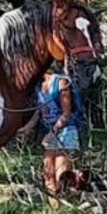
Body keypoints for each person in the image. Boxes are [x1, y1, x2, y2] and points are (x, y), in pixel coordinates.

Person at [36, 57, 80, 203]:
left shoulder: (61, 82)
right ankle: (54, 208)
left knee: (61, 173)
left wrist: (52, 133)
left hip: (66, 130)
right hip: (51, 131)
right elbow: (38, 109)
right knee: (48, 172)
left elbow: (66, 114)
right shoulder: (39, 85)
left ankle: (67, 204)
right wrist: (27, 127)